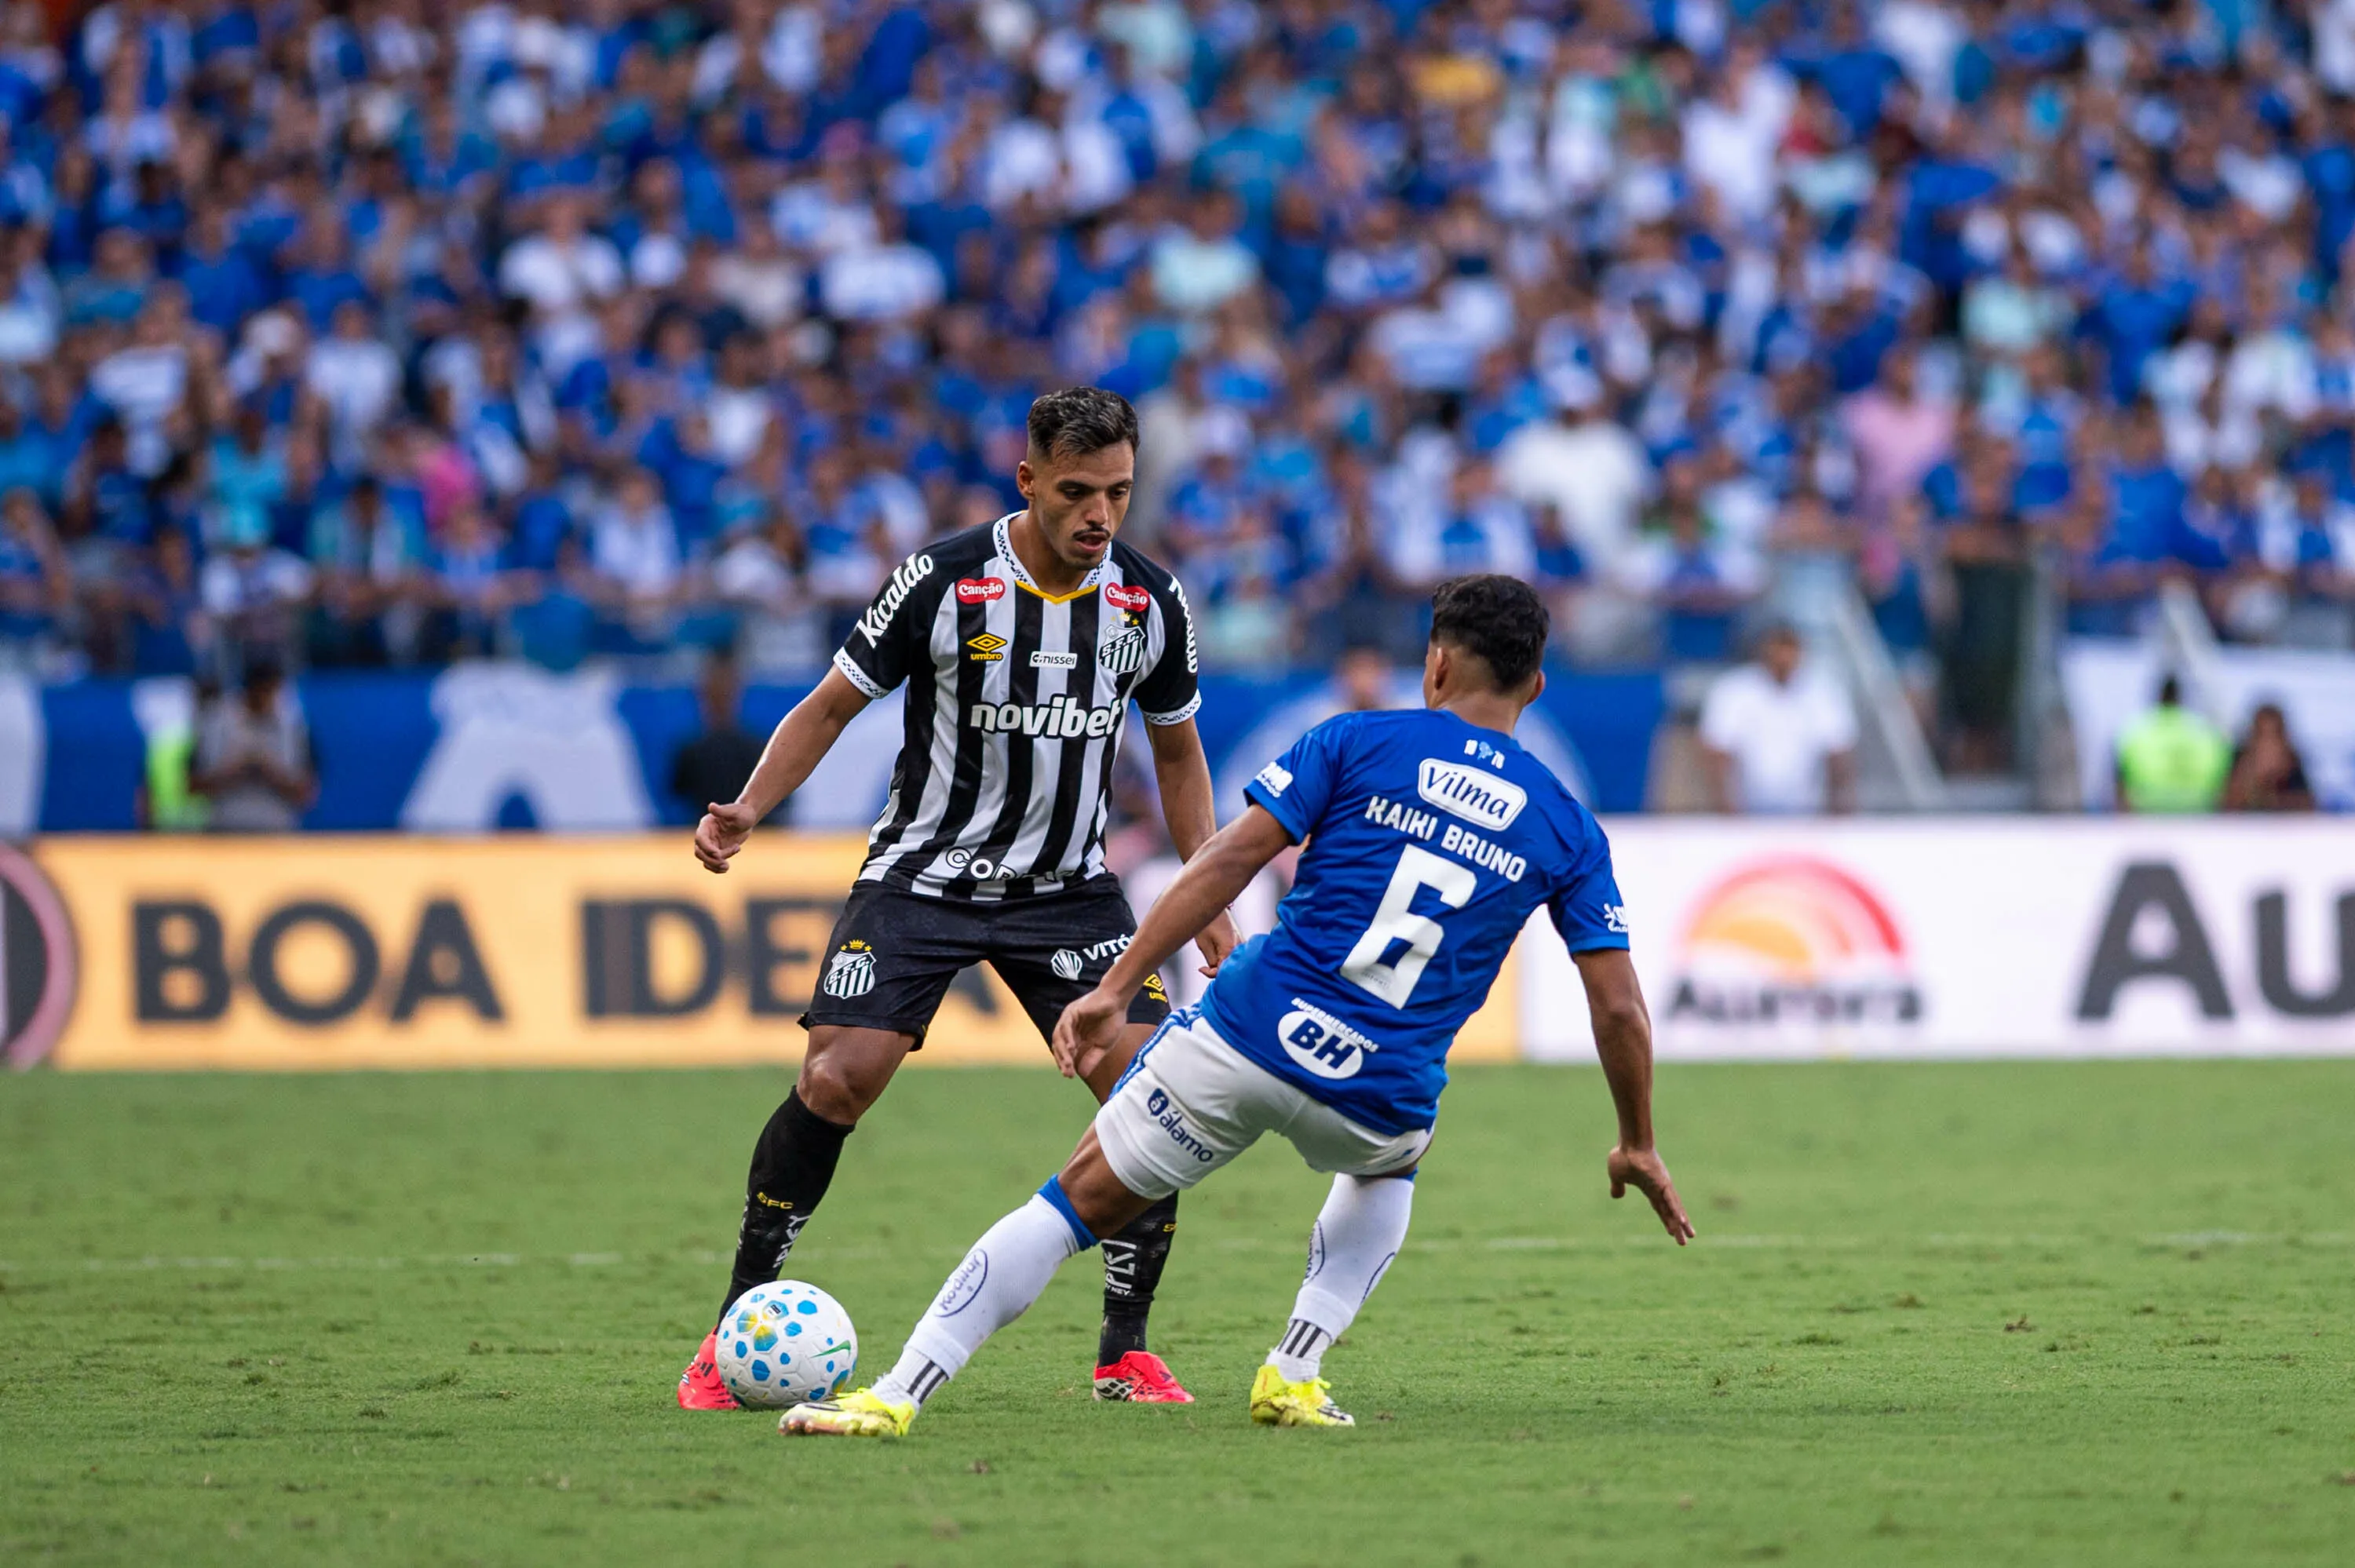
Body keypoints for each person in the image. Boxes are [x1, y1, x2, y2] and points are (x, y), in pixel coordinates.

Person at [780, 574, 1692, 1439]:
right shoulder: (1568, 826)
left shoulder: (1355, 740)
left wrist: (1110, 988)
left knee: (1070, 1205)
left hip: (1247, 1034)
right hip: (1378, 1091)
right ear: (1535, 683)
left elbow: (1224, 860)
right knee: (1393, 1165)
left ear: (1437, 666)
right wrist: (1638, 1139)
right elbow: (1618, 1010)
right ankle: (1294, 1369)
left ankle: (897, 1394)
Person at [676, 388, 1239, 1409]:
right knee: (839, 1078)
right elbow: (834, 702)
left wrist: (1206, 903)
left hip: (1069, 892)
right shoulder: (940, 580)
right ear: (1027, 480)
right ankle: (732, 1328)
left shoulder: (1151, 601)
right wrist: (752, 806)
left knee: (1159, 1092)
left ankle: (1125, 1350)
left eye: (1117, 492)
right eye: (1076, 492)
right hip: (922, 875)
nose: (1099, 515)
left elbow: (1180, 754)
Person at [1697, 622, 1857, 814]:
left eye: (1789, 650)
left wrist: (1838, 812)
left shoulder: (1823, 691)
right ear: (1763, 651)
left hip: (1808, 810)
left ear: (1801, 652)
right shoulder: (1733, 690)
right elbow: (1716, 754)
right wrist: (1728, 812)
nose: (1784, 659)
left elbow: (1839, 755)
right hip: (1746, 807)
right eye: (1778, 650)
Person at [189, 658, 317, 832]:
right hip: (225, 834)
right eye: (268, 692)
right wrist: (236, 768)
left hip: (277, 835)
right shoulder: (215, 722)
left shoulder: (294, 727)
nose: (273, 700)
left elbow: (306, 793)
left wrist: (267, 768)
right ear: (252, 690)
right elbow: (192, 786)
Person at [667, 654, 768, 823]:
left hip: (717, 834)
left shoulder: (692, 750)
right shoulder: (758, 748)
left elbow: (678, 790)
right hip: (733, 834)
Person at [2114, 675, 2231, 812]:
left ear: (2158, 697)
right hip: (2199, 813)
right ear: (2181, 699)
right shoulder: (2206, 732)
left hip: (2147, 813)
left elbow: (2121, 782)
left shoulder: (2136, 732)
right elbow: (2224, 778)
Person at [2221, 702, 2315, 812]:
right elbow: (2224, 805)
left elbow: (2309, 806)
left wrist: (2276, 782)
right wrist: (2249, 776)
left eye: (2273, 734)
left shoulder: (2292, 759)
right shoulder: (2241, 756)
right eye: (2262, 733)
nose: (2267, 742)